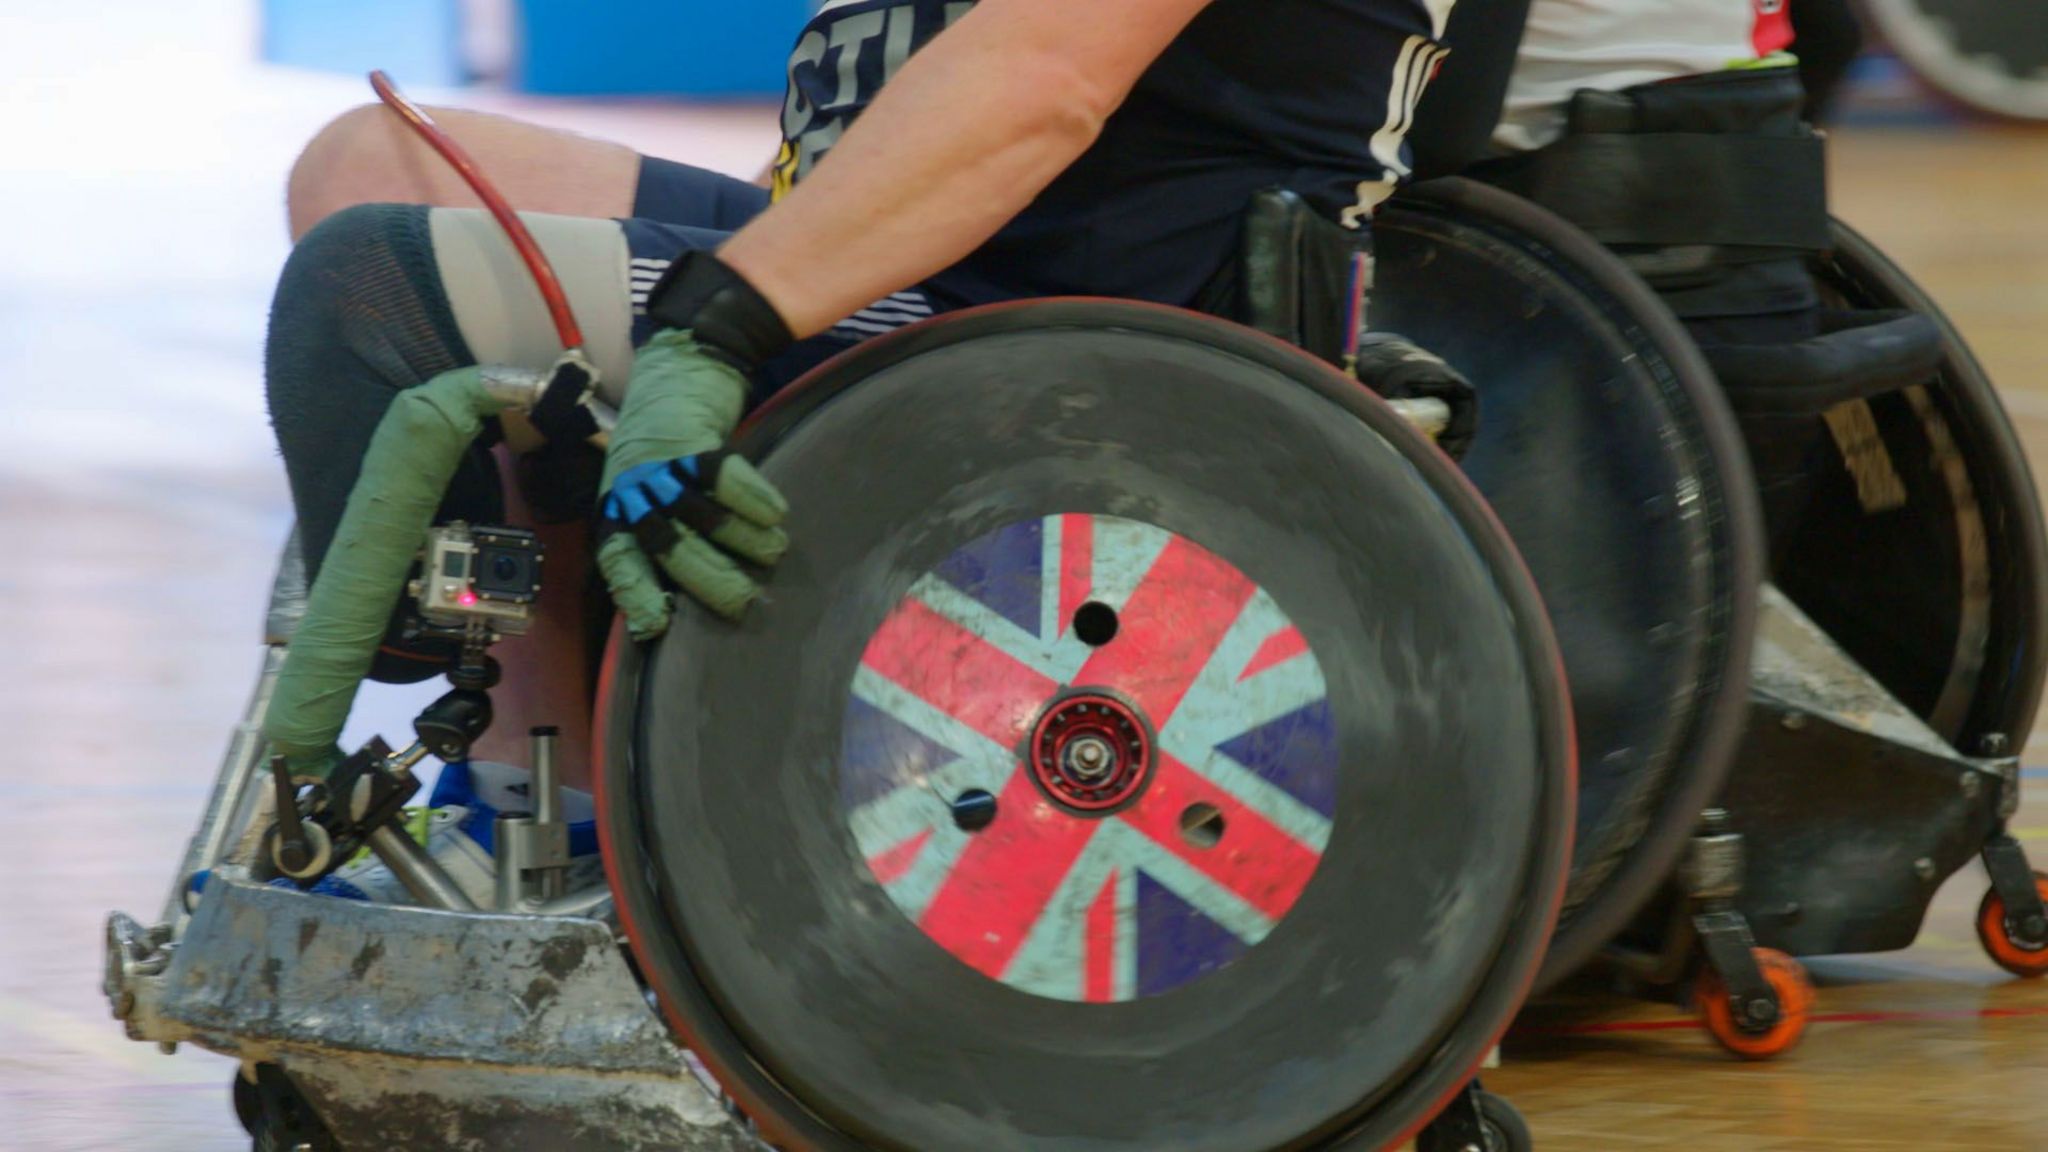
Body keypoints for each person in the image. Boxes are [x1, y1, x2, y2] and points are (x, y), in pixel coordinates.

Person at [264, 0, 1491, 818]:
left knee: (374, 286)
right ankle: (555, 798)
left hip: (1068, 342)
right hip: (916, 285)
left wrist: (717, 318)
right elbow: (860, 144)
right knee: (370, 166)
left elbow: (1044, 83)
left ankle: (501, 741)